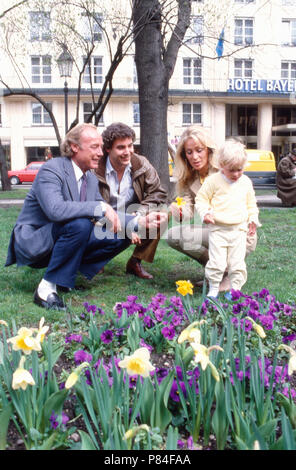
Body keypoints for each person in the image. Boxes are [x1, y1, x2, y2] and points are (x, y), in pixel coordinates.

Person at [5, 123, 167, 310]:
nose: (100, 153)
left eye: (100, 147)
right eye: (94, 147)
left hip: (62, 238)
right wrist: (100, 206)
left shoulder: (89, 177)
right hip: (35, 241)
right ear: (75, 147)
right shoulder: (52, 169)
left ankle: (64, 278)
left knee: (123, 233)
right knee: (80, 224)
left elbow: (106, 214)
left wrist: (139, 221)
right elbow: (55, 210)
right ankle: (46, 288)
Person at [167, 125, 257, 291]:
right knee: (174, 235)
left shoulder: (225, 170)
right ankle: (219, 271)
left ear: (208, 150)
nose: (194, 156)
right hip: (216, 231)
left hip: (238, 232)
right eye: (189, 152)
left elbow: (247, 202)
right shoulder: (189, 178)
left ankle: (230, 273)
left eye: (199, 150)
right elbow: (187, 212)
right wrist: (179, 211)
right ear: (184, 155)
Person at [95, 122, 167, 280]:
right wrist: (124, 224)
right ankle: (96, 259)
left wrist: (138, 215)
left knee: (161, 217)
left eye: (130, 146)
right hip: (103, 219)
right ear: (108, 148)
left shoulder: (140, 163)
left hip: (133, 214)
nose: (127, 152)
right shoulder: (96, 168)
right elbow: (91, 206)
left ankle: (135, 262)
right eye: (121, 147)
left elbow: (158, 193)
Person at [195, 139, 260, 299]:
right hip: (218, 229)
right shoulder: (213, 181)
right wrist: (205, 213)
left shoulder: (245, 182)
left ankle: (235, 288)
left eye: (240, 169)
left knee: (237, 263)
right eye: (232, 170)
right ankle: (214, 288)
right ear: (221, 165)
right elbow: (201, 199)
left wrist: (253, 218)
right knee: (217, 262)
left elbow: (251, 203)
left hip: (239, 230)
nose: (236, 174)